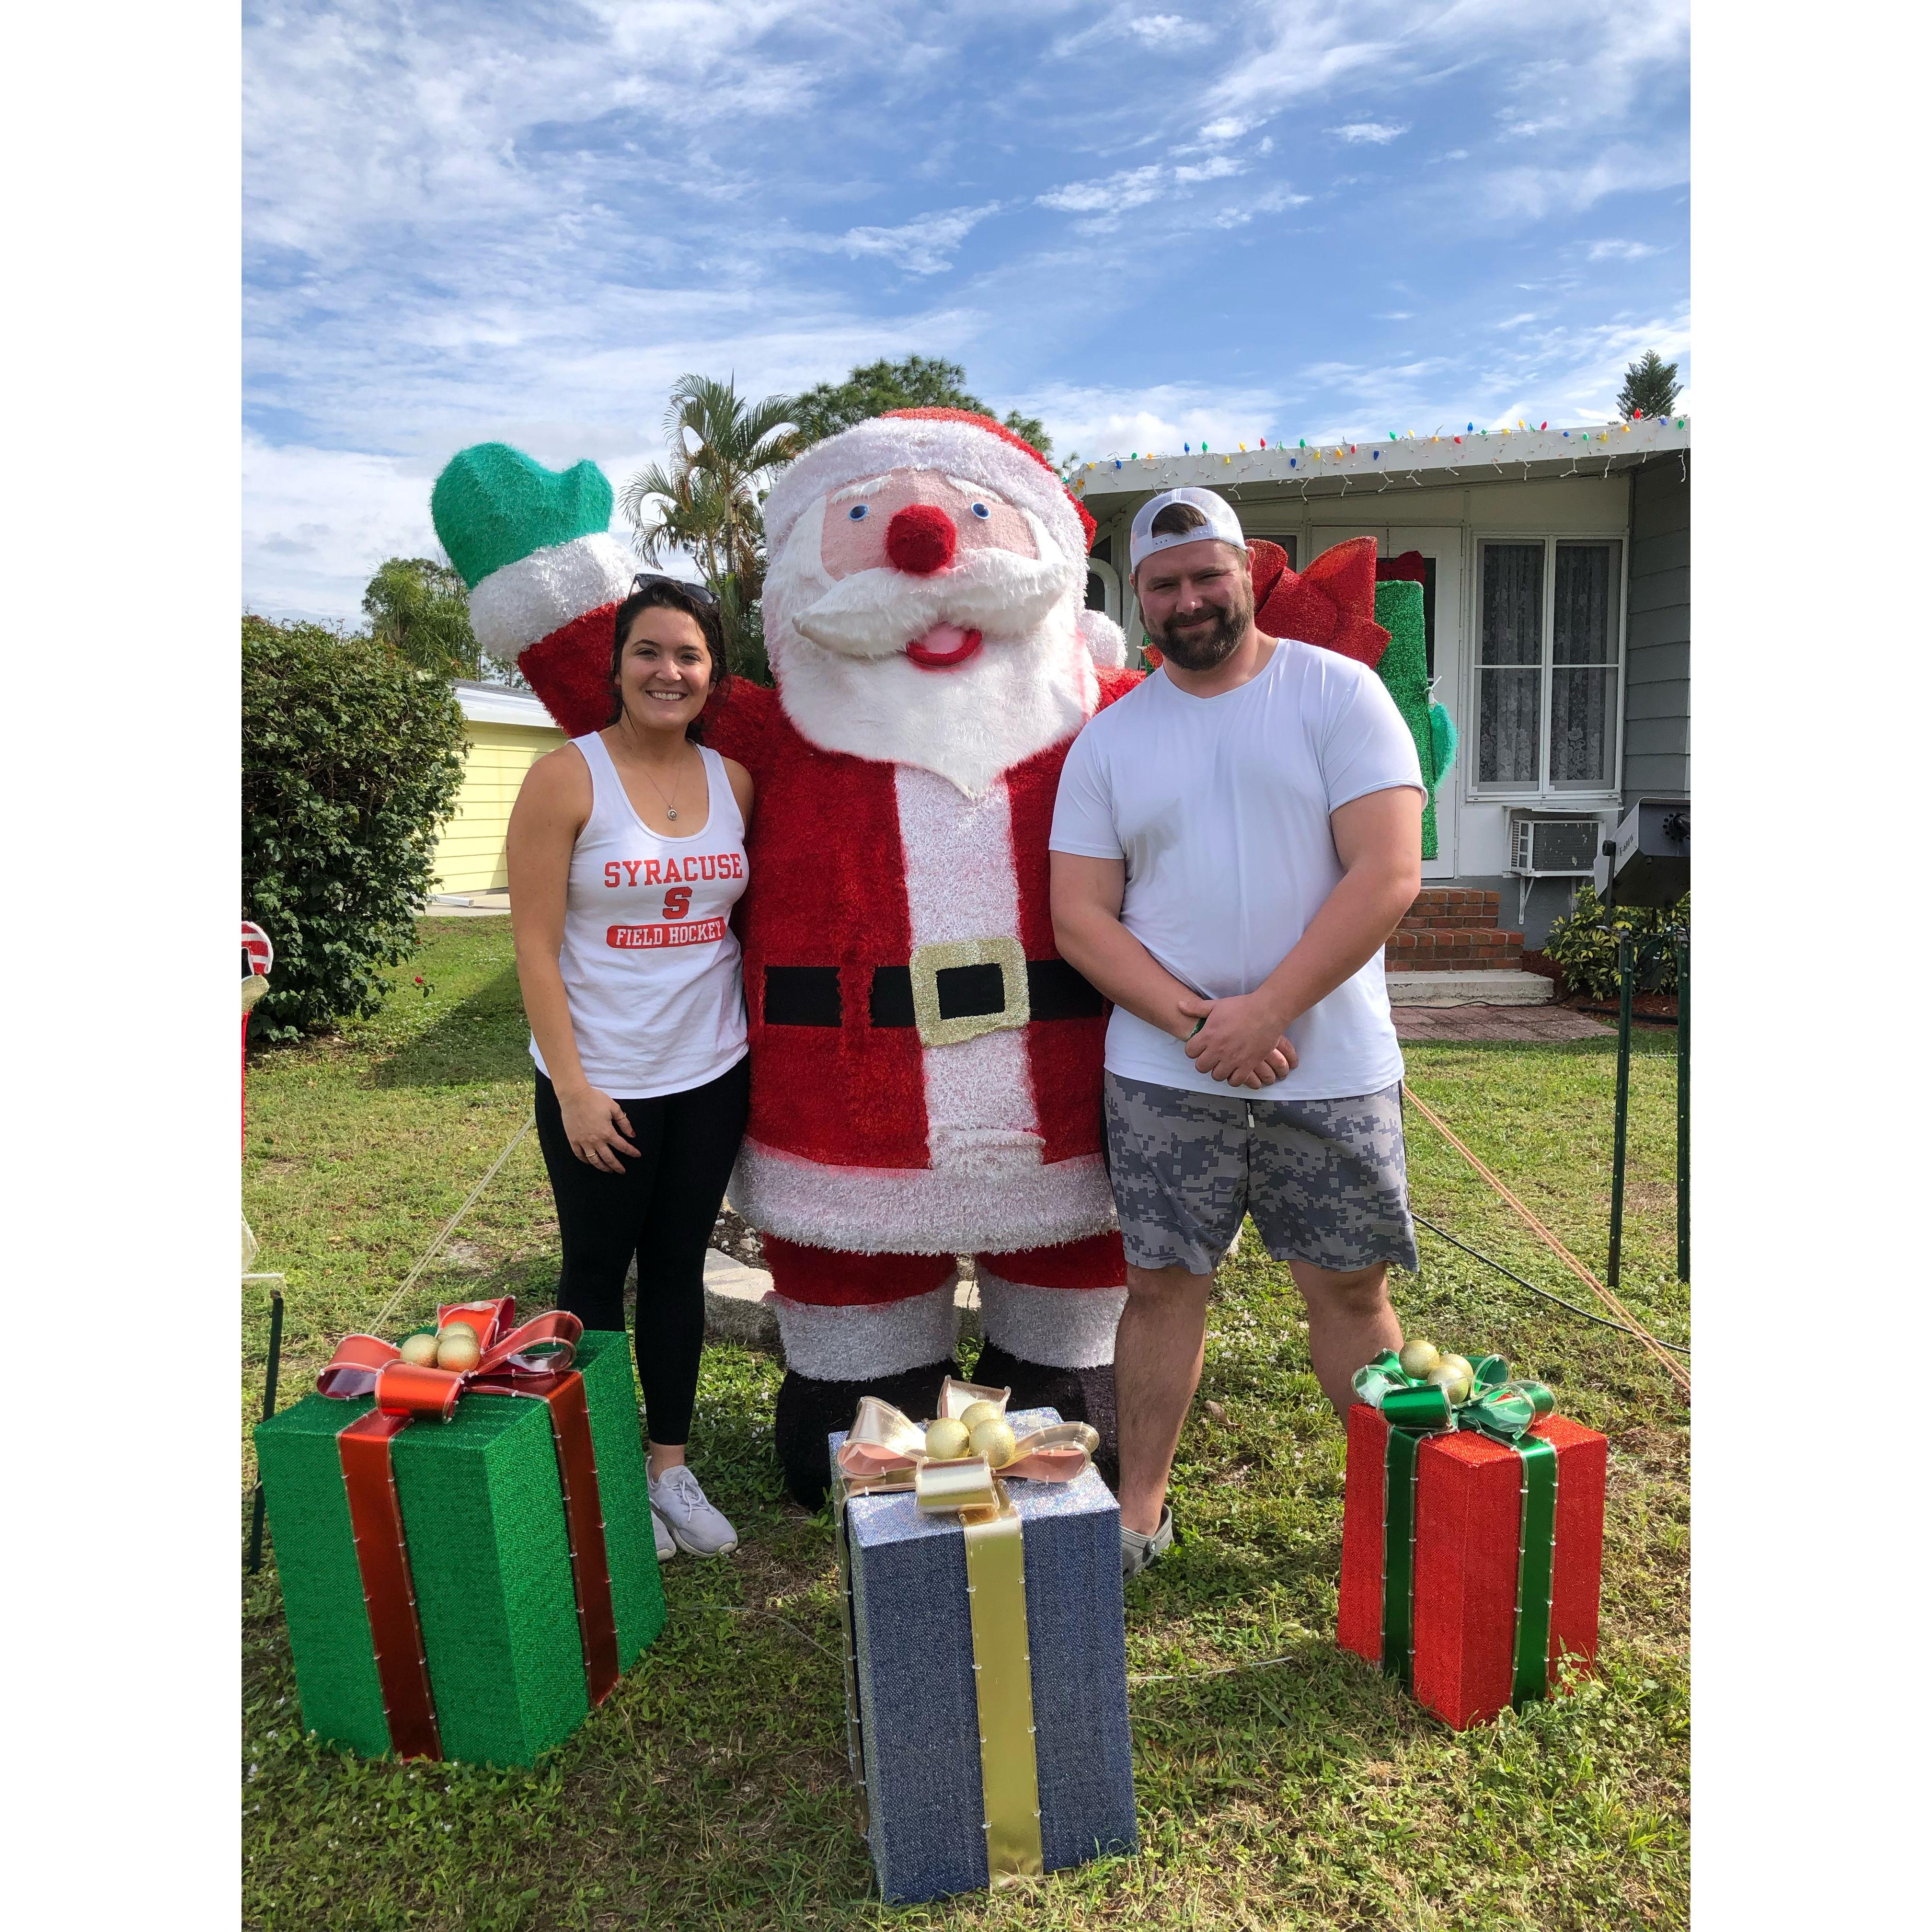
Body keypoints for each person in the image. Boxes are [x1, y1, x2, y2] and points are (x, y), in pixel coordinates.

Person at [1048, 488, 1425, 1577]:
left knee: (1350, 1293)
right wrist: (1203, 1023)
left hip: (1332, 1068)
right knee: (1164, 1286)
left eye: (1207, 574)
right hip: (1166, 1075)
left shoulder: (1338, 694)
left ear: (1248, 573)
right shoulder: (1109, 741)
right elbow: (1081, 916)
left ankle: (1400, 1509)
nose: (1188, 598)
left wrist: (1265, 1011)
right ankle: (1139, 1516)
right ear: (1137, 598)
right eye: (1162, 584)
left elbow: (1388, 870)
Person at [506, 573, 753, 1562]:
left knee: (680, 1271)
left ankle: (668, 1467)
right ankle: (605, 1472)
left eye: (689, 655)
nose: (669, 671)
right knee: (597, 1271)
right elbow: (531, 945)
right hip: (599, 1080)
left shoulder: (736, 781)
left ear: (714, 673)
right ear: (616, 666)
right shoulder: (567, 777)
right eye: (649, 651)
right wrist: (571, 1086)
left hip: (710, 1073)